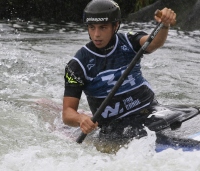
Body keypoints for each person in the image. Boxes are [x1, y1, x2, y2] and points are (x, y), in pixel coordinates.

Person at [62, 0, 176, 151]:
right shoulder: (77, 65)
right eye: (92, 27)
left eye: (103, 27)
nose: (96, 34)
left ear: (115, 26)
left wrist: (164, 25)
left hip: (151, 110)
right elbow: (67, 113)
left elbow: (153, 43)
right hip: (114, 126)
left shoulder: (128, 42)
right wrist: (81, 119)